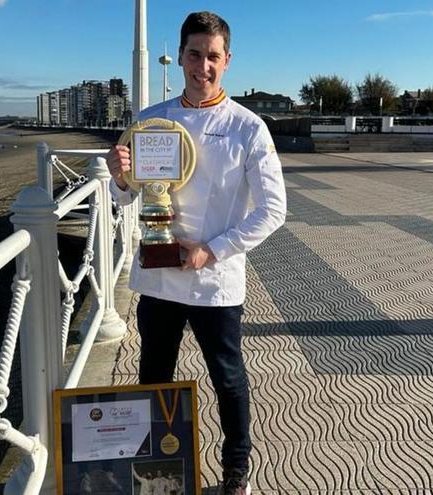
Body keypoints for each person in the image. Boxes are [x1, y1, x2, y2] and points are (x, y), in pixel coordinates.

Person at [107, 11, 286, 495]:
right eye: (193, 54)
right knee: (154, 377)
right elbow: (128, 198)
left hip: (215, 281)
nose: (201, 65)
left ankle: (236, 471)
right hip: (160, 279)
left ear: (227, 61)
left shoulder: (249, 128)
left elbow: (274, 210)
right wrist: (120, 177)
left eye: (212, 56)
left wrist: (213, 250)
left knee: (227, 381)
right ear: (182, 55)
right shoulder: (150, 121)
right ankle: (154, 469)